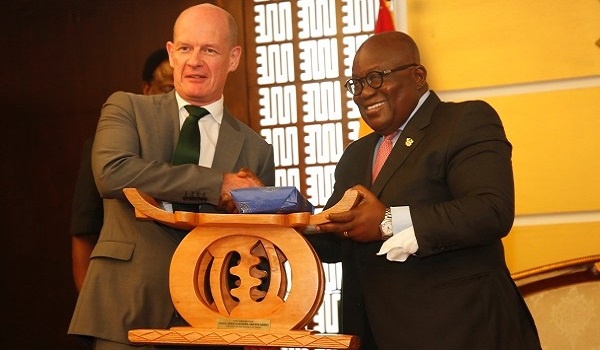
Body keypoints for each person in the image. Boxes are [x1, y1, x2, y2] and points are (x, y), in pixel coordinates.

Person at [307, 31, 541, 349]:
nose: (363, 93)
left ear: (418, 77)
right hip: (375, 335)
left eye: (376, 78)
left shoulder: (464, 121)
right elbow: (337, 242)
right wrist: (275, 214)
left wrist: (389, 221)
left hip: (462, 332)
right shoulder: (356, 154)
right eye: (357, 84)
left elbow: (490, 211)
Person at [68, 4, 275, 350]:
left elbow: (259, 243)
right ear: (171, 54)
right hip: (124, 315)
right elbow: (112, 173)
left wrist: (260, 322)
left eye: (209, 50)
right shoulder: (127, 109)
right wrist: (218, 185)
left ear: (234, 58)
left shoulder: (256, 150)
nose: (195, 60)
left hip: (214, 320)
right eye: (185, 48)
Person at [70, 48, 174, 293]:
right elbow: (84, 233)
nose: (173, 101)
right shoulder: (107, 146)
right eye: (168, 90)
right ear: (146, 89)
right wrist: (91, 309)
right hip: (123, 293)